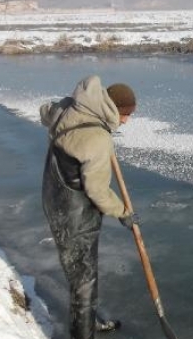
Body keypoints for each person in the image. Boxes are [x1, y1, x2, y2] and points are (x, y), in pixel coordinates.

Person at [40, 75, 140, 339]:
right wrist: (123, 213)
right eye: (126, 115)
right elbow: (97, 190)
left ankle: (85, 322)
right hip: (75, 214)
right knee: (84, 279)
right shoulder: (98, 140)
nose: (127, 121)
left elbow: (44, 111)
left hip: (53, 195)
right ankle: (84, 333)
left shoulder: (70, 107)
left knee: (77, 274)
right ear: (115, 109)